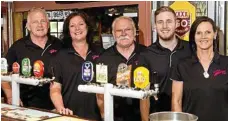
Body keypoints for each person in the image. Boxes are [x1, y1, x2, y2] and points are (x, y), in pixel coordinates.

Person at [2, 7, 62, 109]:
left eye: (43, 21)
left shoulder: (59, 44)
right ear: (28, 26)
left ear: (48, 24)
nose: (40, 25)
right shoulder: (18, 47)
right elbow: (2, 74)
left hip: (56, 106)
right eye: (35, 22)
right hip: (25, 107)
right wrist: (10, 95)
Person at [171, 16, 228, 121]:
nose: (203, 37)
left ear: (215, 34)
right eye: (198, 33)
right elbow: (176, 101)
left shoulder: (226, 63)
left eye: (208, 32)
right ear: (193, 36)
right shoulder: (182, 65)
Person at [49, 11, 102, 120]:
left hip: (97, 116)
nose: (77, 28)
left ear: (87, 27)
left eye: (81, 24)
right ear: (68, 31)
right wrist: (61, 108)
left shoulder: (100, 53)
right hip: (71, 115)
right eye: (72, 26)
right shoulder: (60, 56)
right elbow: (55, 89)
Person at [138, 6, 192, 113]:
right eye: (160, 22)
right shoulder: (146, 55)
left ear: (176, 24)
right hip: (157, 115)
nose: (164, 26)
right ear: (155, 26)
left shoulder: (191, 50)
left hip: (187, 113)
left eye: (169, 21)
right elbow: (143, 96)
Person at [96, 16, 147, 121]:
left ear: (134, 32)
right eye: (119, 30)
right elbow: (100, 94)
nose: (123, 33)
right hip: (114, 117)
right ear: (114, 34)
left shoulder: (147, 54)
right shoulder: (103, 58)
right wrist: (104, 116)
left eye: (127, 29)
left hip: (142, 117)